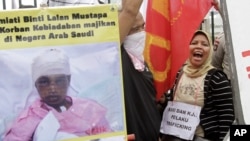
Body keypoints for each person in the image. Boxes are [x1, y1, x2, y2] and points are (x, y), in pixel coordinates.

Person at [3, 48, 111, 141]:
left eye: (59, 81)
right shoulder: (29, 118)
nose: (53, 89)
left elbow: (110, 136)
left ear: (68, 80)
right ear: (36, 85)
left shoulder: (90, 109)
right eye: (44, 82)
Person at [160, 30, 234, 141]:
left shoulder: (217, 78)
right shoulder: (179, 73)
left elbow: (227, 117)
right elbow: (174, 106)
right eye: (194, 43)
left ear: (210, 51)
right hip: (175, 136)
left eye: (204, 44)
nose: (199, 47)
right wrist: (164, 100)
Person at [121, 12, 161, 141]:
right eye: (135, 29)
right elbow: (129, 10)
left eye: (143, 26)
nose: (141, 32)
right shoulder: (118, 59)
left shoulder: (147, 60)